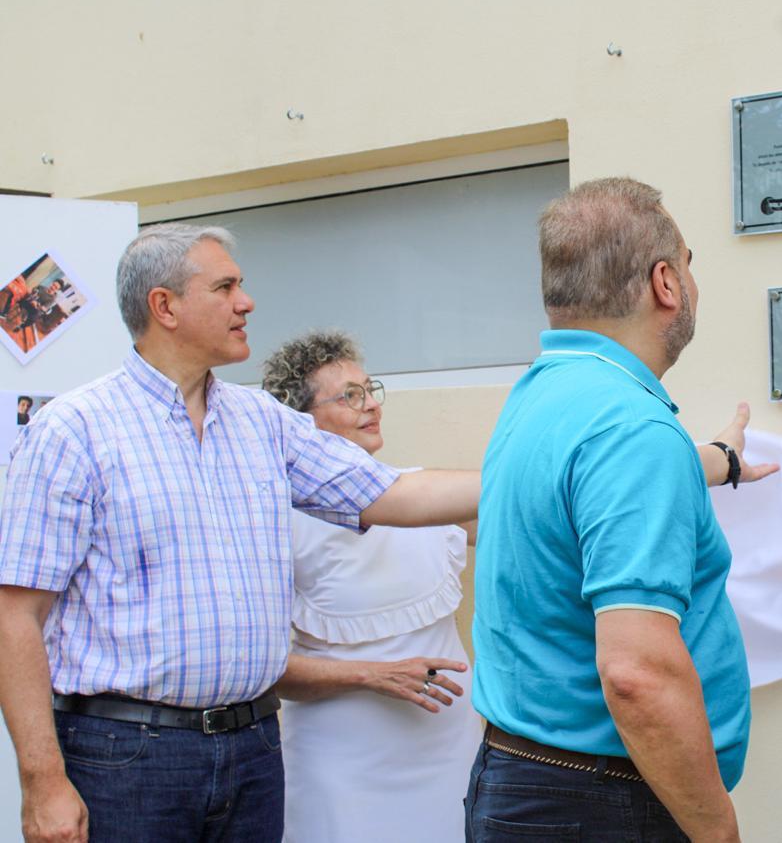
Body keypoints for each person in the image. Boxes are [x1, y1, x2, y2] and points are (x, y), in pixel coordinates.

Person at [0, 224, 480, 843]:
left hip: (253, 751)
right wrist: (41, 780)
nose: (246, 302)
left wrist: (538, 469)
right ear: (164, 306)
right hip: (127, 755)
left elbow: (387, 493)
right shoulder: (74, 431)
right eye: (225, 286)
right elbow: (16, 618)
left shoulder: (263, 423)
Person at [466, 177, 776, 843]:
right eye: (689, 264)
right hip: (601, 802)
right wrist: (717, 830)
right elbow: (636, 673)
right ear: (666, 282)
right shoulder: (631, 429)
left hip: (525, 780)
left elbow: (594, 494)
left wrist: (718, 457)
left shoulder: (542, 397)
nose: (692, 282)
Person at [260, 331, 482, 842]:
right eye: (349, 396)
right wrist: (371, 675)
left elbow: (528, 532)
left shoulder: (423, 494)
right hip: (340, 763)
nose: (371, 406)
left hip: (446, 750)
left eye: (370, 389)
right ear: (301, 422)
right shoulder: (275, 524)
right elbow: (259, 669)